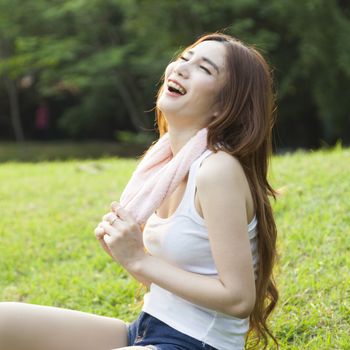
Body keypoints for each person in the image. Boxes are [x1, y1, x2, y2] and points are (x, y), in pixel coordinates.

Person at [0, 32, 279, 350]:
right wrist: (126, 255)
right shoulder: (165, 166)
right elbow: (174, 283)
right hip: (145, 330)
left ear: (223, 107)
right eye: (185, 58)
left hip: (196, 343)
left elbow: (239, 298)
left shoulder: (217, 170)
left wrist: (139, 260)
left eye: (204, 68)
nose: (181, 68)